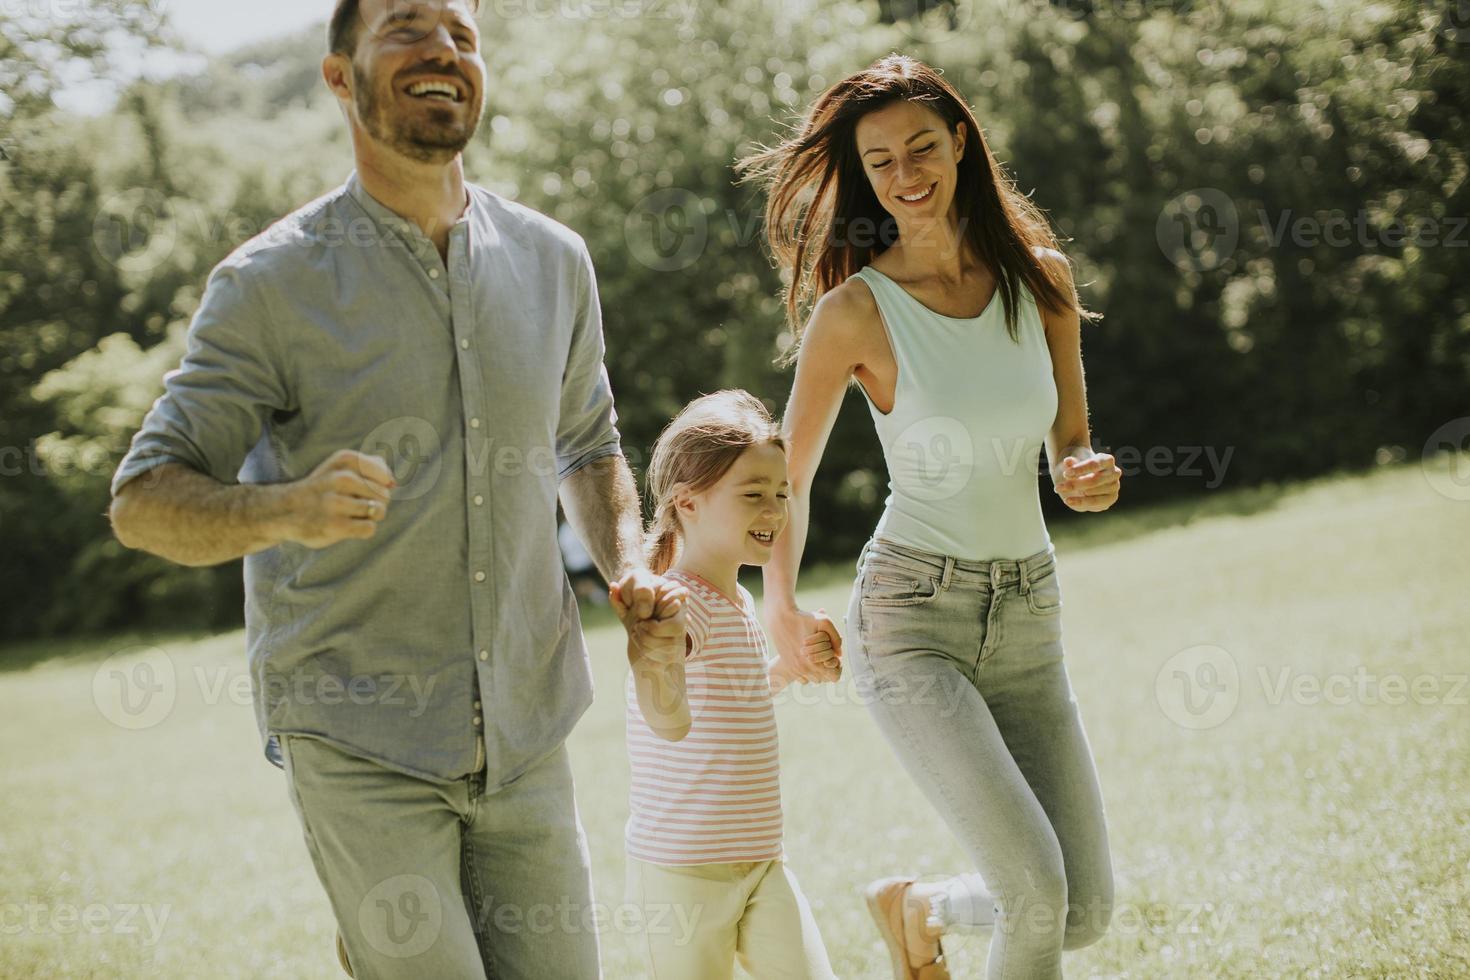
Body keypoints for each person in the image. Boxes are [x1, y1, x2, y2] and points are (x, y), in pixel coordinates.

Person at [106, 1, 685, 976]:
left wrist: (629, 567)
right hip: (357, 734)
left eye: (463, 33)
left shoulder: (555, 261)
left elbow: (589, 442)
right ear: (340, 76)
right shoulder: (269, 285)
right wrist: (284, 507)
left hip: (527, 726)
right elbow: (142, 500)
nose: (444, 51)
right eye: (408, 27)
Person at [738, 55, 1124, 979]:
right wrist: (779, 606)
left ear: (959, 142)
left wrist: (1080, 472)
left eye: (922, 147)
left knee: (1083, 908)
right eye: (881, 162)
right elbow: (783, 472)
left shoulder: (1043, 280)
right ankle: (927, 908)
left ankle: (921, 907)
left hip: (1029, 610)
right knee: (1036, 894)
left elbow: (1069, 436)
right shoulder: (855, 311)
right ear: (861, 176)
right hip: (913, 617)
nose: (906, 175)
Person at [620, 390, 839, 980]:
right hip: (683, 872)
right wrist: (655, 657)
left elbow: (729, 698)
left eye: (781, 494)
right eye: (752, 496)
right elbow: (666, 699)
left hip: (761, 860)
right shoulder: (678, 604)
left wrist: (787, 671)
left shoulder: (737, 598)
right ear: (687, 502)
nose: (774, 510)